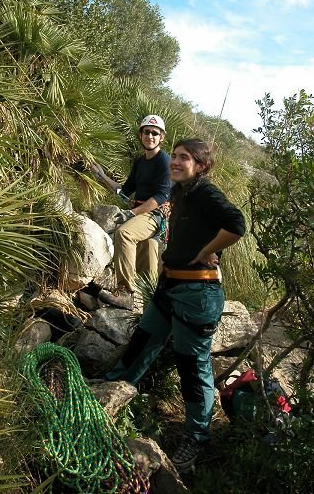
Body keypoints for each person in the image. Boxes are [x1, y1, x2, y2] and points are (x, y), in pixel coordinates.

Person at [105, 138, 246, 471]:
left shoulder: (205, 192)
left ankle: (196, 439)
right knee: (144, 338)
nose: (177, 162)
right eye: (177, 156)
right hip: (170, 285)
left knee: (191, 367)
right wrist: (205, 246)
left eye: (185, 158)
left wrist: (206, 251)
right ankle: (116, 386)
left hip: (197, 294)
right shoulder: (181, 192)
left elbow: (236, 224)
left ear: (201, 165)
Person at [90, 115, 171, 310]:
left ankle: (125, 292)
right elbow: (124, 190)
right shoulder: (140, 162)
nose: (150, 136)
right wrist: (102, 176)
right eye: (146, 132)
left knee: (125, 233)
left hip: (155, 214)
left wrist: (132, 214)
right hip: (142, 212)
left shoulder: (164, 161)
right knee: (148, 252)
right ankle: (147, 298)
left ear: (162, 137)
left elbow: (161, 196)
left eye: (155, 133)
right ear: (140, 134)